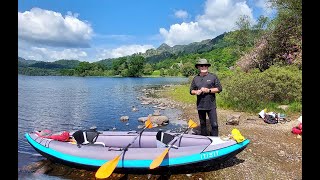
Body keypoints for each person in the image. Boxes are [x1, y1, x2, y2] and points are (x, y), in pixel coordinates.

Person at [189, 58, 222, 136]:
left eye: (205, 66)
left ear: (207, 67)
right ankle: (205, 141)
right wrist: (196, 92)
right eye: (201, 66)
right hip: (200, 106)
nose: (203, 67)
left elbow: (219, 89)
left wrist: (209, 90)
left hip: (211, 105)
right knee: (203, 125)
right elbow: (191, 91)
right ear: (198, 67)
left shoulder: (213, 77)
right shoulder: (195, 78)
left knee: (214, 125)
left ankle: (215, 141)